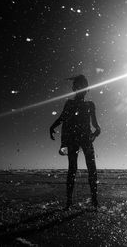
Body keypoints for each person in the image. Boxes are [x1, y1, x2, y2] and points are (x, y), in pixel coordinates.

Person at [50, 75, 101, 209]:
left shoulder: (90, 105)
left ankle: (94, 200)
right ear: (75, 88)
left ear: (86, 89)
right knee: (74, 169)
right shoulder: (70, 104)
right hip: (74, 139)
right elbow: (62, 118)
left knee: (91, 169)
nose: (82, 89)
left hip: (85, 139)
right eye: (79, 87)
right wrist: (53, 126)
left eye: (84, 87)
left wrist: (98, 130)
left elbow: (95, 124)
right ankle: (69, 201)